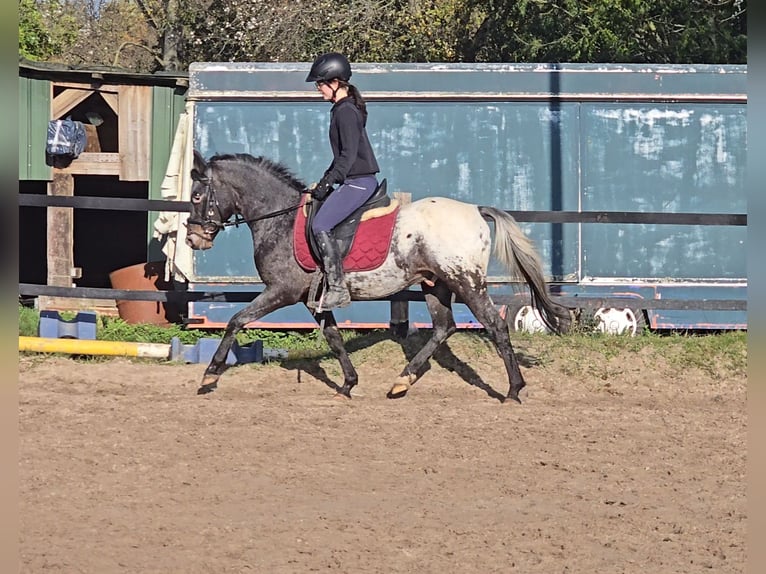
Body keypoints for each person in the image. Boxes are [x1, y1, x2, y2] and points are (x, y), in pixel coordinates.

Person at [305, 52, 381, 310]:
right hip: (353, 179)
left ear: (335, 81)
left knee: (320, 224)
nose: (318, 89)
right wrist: (323, 181)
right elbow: (340, 157)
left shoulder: (346, 111)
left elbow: (348, 157)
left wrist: (328, 184)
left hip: (358, 181)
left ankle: (337, 288)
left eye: (320, 84)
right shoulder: (343, 108)